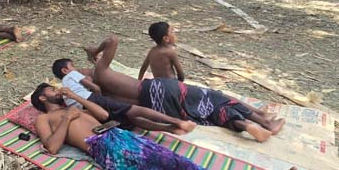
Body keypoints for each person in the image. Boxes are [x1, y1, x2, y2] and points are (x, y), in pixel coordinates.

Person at [30, 83, 300, 170]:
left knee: (180, 165)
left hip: (118, 135)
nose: (57, 90)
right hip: (104, 147)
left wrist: (76, 99)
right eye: (52, 89)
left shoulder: (72, 106)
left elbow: (102, 116)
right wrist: (66, 119)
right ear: (43, 97)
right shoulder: (45, 118)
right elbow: (51, 147)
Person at [82, 35, 285, 142]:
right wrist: (95, 51)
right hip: (160, 89)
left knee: (207, 110)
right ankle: (265, 122)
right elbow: (113, 39)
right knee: (216, 97)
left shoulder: (98, 96)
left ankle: (245, 124)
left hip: (157, 108)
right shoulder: (102, 71)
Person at [52, 59, 196, 134]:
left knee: (132, 119)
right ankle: (177, 122)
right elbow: (95, 88)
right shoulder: (72, 75)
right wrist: (101, 97)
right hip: (93, 100)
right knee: (134, 110)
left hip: (88, 111)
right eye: (73, 66)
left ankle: (170, 129)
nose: (76, 68)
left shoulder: (64, 89)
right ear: (65, 70)